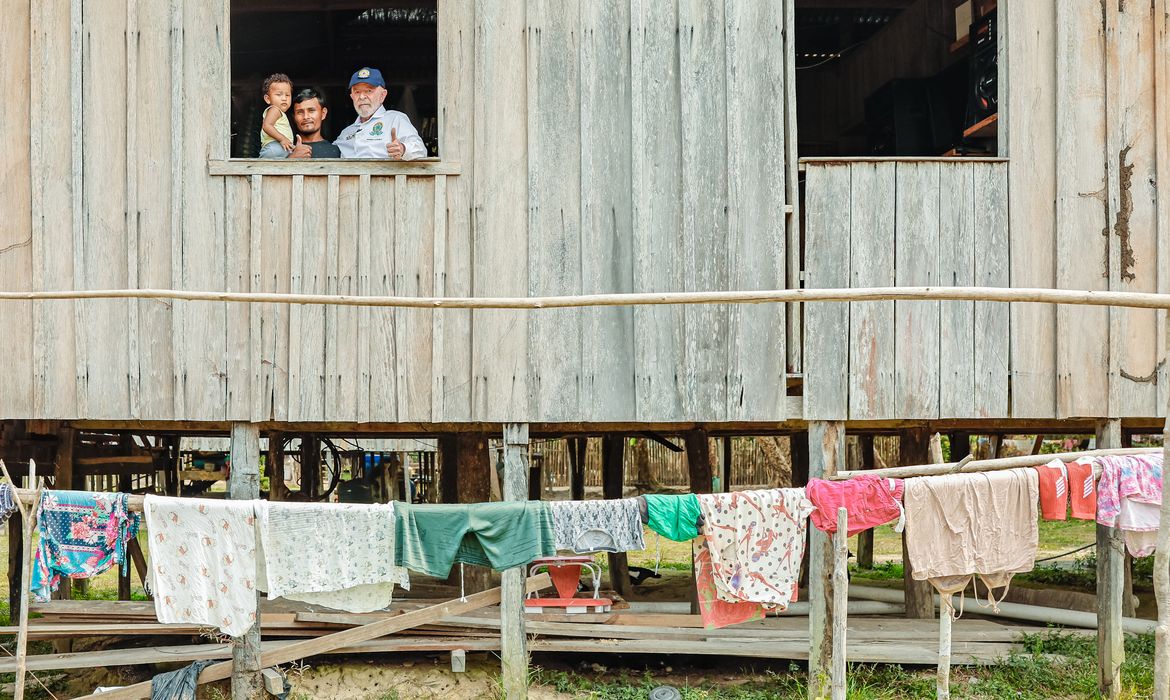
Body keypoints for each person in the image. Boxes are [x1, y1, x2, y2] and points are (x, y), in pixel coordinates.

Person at [335, 67, 426, 160]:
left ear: (382, 95)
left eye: (369, 91)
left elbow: (421, 150)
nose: (362, 97)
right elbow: (328, 153)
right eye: (357, 92)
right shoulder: (346, 133)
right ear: (352, 97)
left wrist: (403, 149)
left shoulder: (395, 119)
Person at [288, 88, 342, 159]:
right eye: (300, 112)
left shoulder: (336, 151)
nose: (306, 117)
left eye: (311, 111)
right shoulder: (283, 149)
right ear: (294, 117)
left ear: (323, 113)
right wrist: (292, 158)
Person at [258, 73, 294, 159]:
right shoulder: (274, 110)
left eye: (287, 95)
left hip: (279, 148)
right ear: (268, 99)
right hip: (274, 147)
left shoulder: (279, 112)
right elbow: (266, 126)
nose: (284, 98)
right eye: (279, 94)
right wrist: (282, 139)